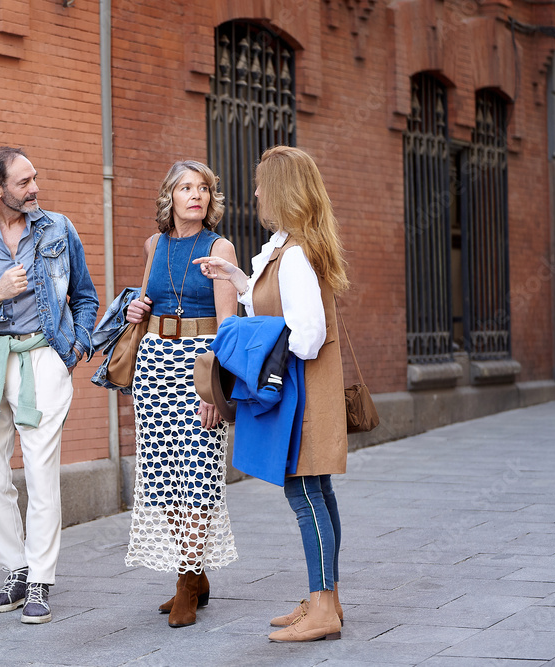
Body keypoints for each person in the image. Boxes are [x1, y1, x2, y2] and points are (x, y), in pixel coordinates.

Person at [195, 145, 349, 642]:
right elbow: (279, 300)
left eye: (262, 183)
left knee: (304, 495)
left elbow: (305, 336)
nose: (256, 191)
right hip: (306, 391)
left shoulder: (297, 254)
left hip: (301, 395)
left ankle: (323, 607)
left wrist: (254, 334)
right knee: (316, 494)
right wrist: (240, 280)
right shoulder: (292, 247)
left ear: (281, 190)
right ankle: (326, 598)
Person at [0, 147, 98, 625]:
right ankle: (13, 571)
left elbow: (86, 295)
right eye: (24, 181)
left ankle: (40, 582)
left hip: (43, 359)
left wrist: (74, 348)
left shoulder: (58, 228)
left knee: (40, 471)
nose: (35, 188)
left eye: (35, 177)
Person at [123, 160, 240, 628]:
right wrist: (136, 308)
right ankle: (194, 571)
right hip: (154, 363)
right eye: (186, 187)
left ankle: (187, 581)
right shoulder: (155, 245)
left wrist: (212, 391)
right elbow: (148, 299)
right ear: (169, 195)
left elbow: (228, 329)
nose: (196, 196)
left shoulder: (219, 246)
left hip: (198, 365)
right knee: (165, 477)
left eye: (204, 189)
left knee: (197, 475)